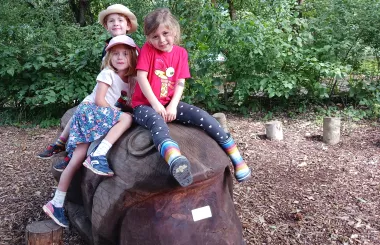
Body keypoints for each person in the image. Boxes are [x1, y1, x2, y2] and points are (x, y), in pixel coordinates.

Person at [132, 8, 251, 187]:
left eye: (165, 33)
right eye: (155, 36)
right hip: (144, 105)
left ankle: (235, 156)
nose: (161, 40)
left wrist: (173, 105)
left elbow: (180, 82)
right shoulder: (148, 50)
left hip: (170, 102)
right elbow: (141, 77)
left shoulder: (180, 53)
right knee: (157, 123)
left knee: (202, 116)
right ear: (148, 38)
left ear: (174, 31)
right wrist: (155, 105)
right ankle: (174, 158)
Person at [43, 35, 139, 227]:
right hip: (91, 113)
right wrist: (119, 113)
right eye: (116, 54)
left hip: (98, 118)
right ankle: (98, 155)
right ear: (109, 57)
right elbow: (100, 100)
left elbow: (127, 102)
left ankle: (56, 202)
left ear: (133, 57)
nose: (120, 58)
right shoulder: (108, 74)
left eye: (125, 54)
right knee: (126, 118)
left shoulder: (131, 81)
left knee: (77, 160)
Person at [36, 4, 138, 170]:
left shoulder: (132, 48)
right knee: (84, 108)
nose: (116, 23)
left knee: (90, 111)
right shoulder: (108, 47)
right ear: (106, 26)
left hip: (115, 94)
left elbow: (133, 74)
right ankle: (63, 144)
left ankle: (68, 148)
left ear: (128, 25)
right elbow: (106, 71)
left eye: (120, 20)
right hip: (104, 91)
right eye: (111, 21)